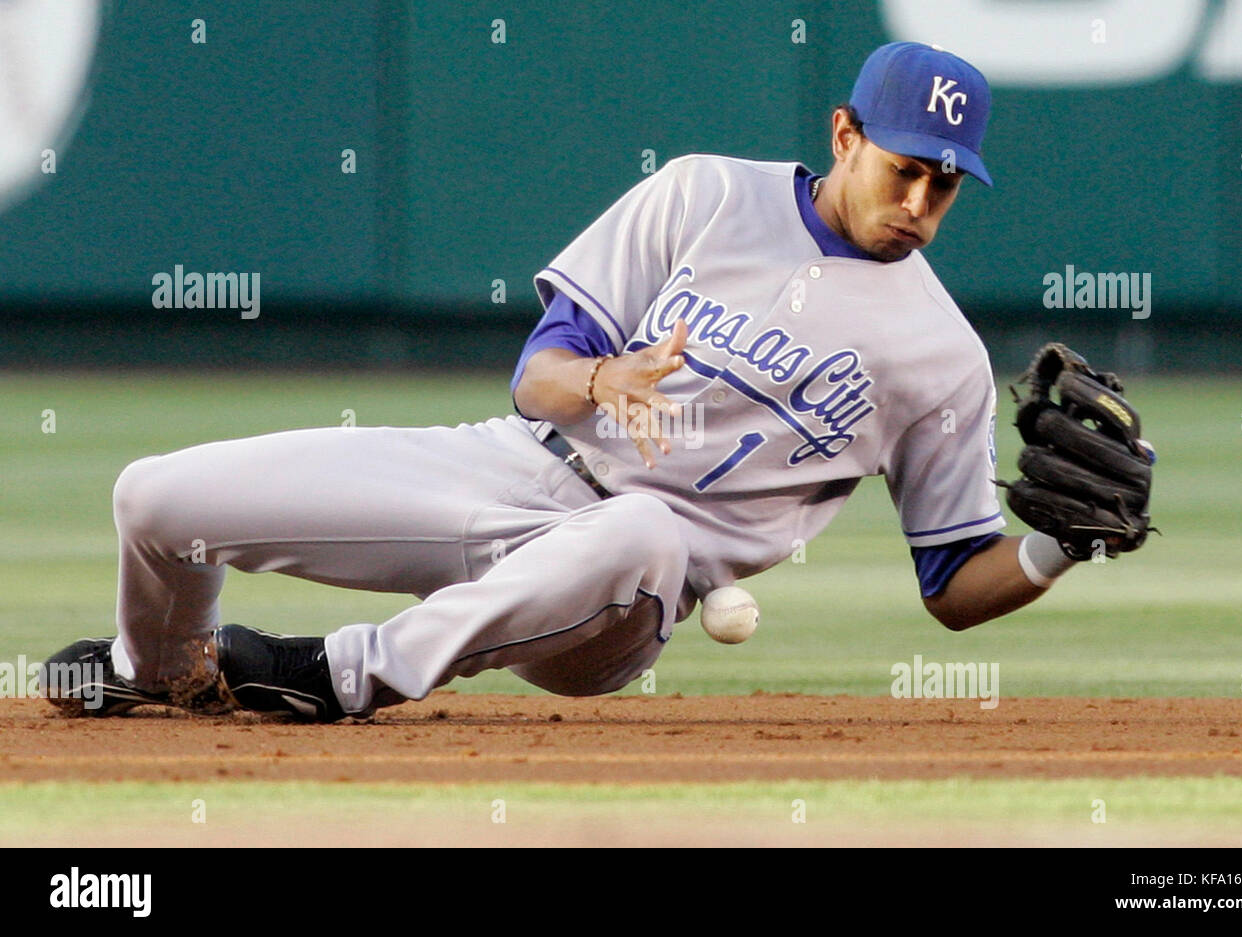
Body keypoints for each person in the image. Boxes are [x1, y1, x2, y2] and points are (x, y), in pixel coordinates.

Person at [42, 42, 1080, 722]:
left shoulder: (939, 354)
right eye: (904, 165)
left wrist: (1055, 545)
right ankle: (165, 671)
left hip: (617, 592)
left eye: (945, 180)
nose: (921, 197)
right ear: (845, 135)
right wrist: (600, 375)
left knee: (650, 533)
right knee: (155, 495)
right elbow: (537, 380)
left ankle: (334, 673)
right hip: (508, 469)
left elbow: (951, 583)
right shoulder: (704, 192)